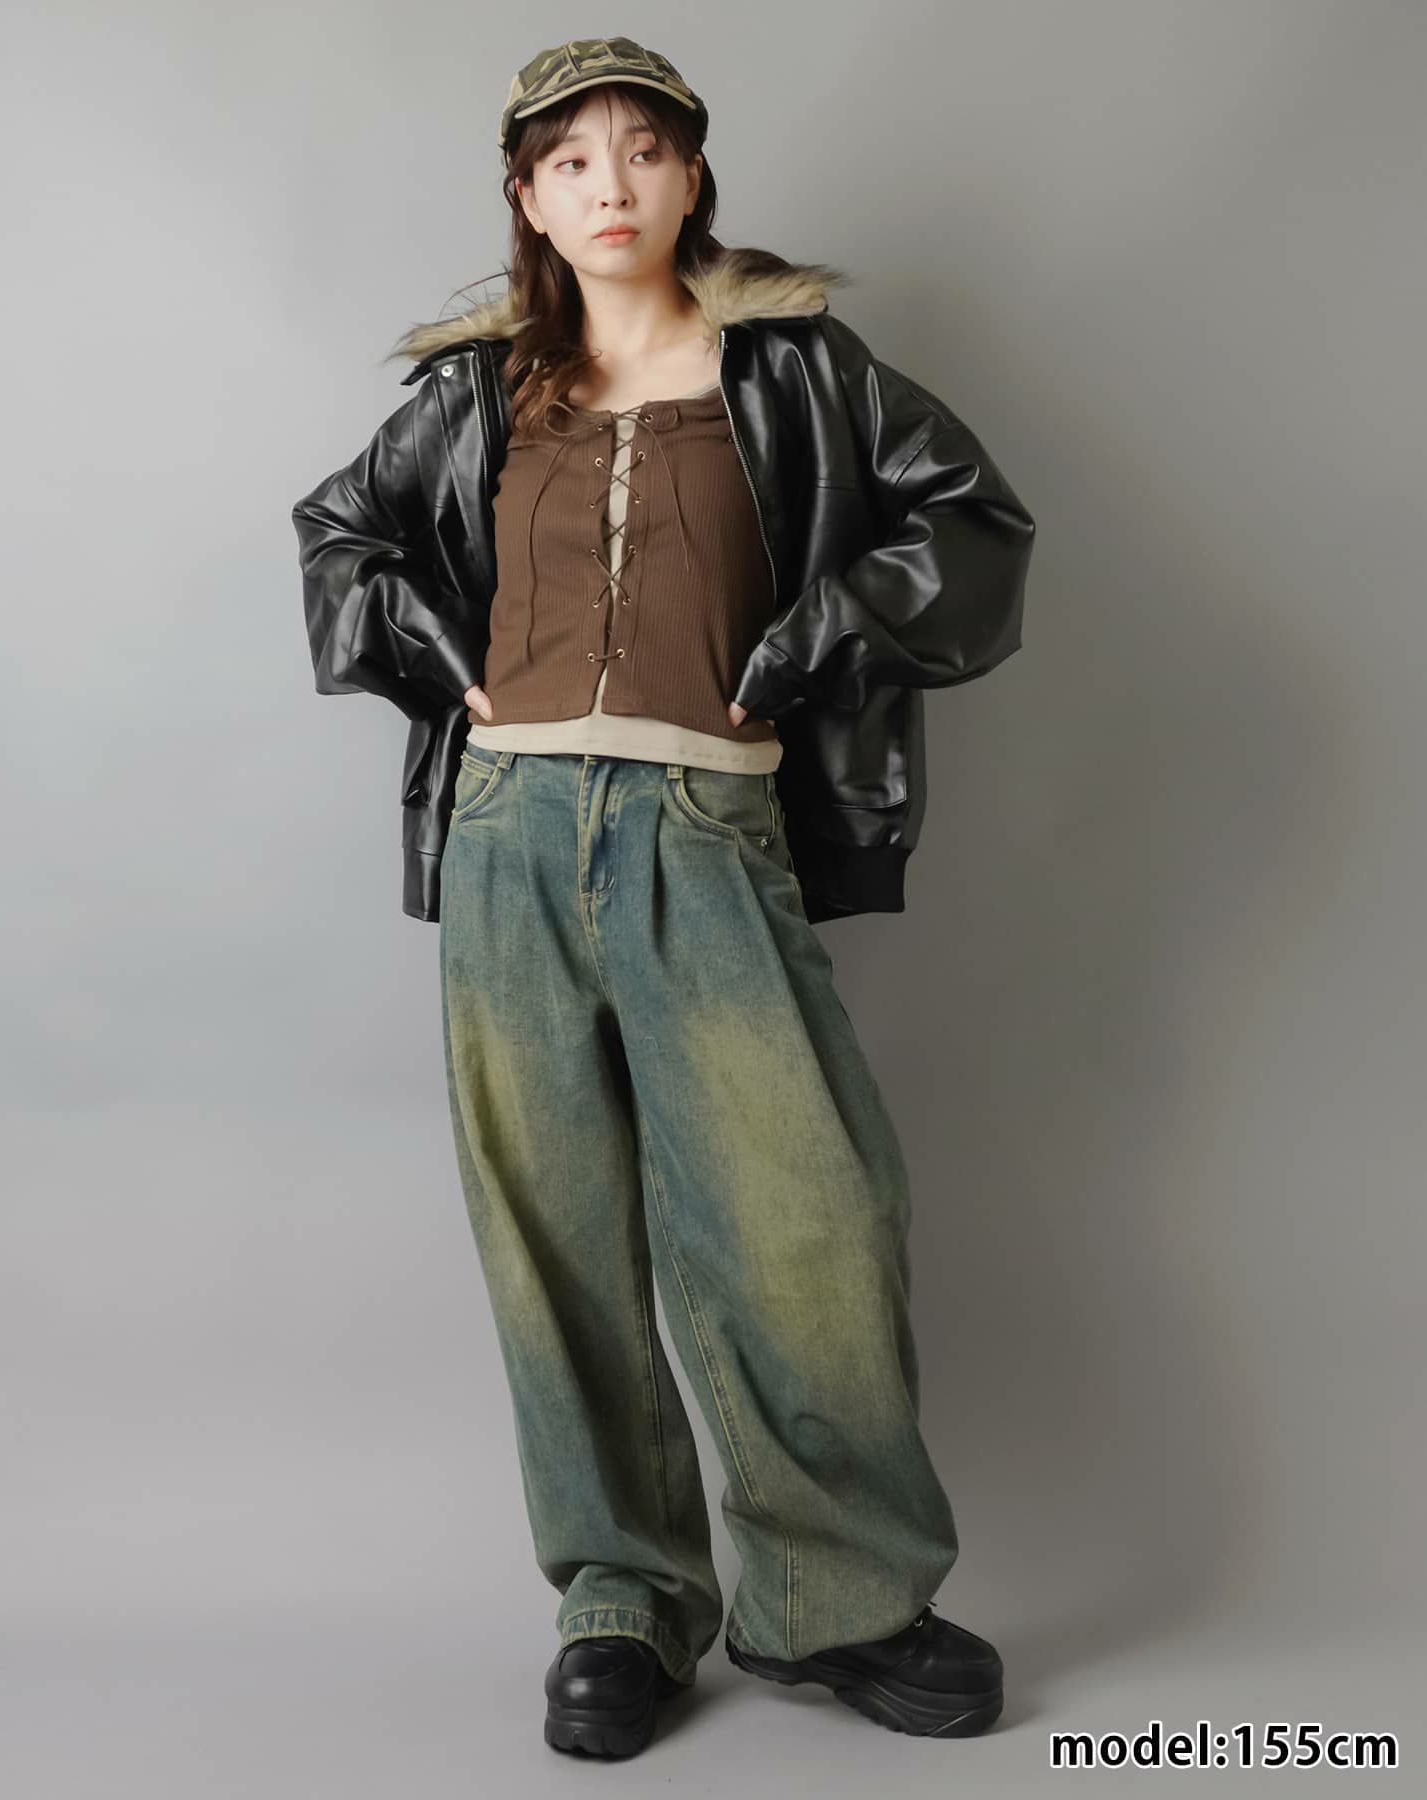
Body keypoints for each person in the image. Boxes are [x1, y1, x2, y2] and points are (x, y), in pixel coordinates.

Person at [293, 35, 1036, 1761]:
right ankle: (621, 1602)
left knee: (806, 1218)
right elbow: (346, 538)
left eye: (641, 149)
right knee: (553, 1231)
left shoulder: (794, 365)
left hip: (707, 824)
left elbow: (969, 529)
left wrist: (814, 642)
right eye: (569, 161)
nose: (608, 184)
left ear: (694, 174)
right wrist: (434, 652)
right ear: (529, 198)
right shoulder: (477, 391)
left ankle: (838, 1601)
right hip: (509, 829)